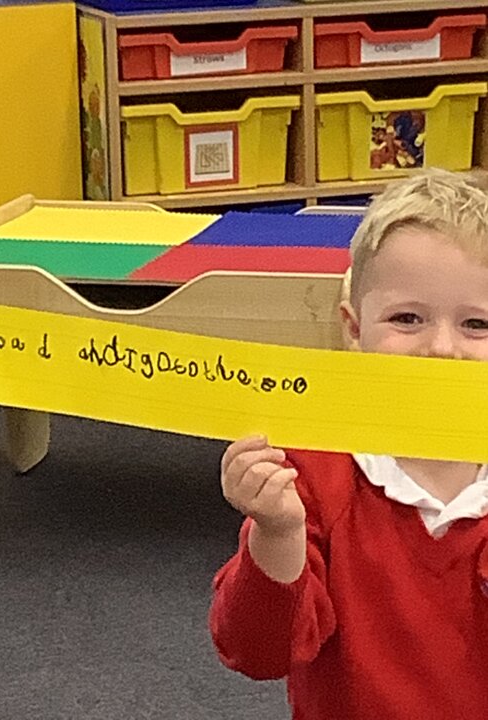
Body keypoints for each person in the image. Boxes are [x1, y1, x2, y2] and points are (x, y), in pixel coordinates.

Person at [209, 167, 488, 719]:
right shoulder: (311, 471)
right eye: (407, 319)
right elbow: (259, 652)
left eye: (477, 325)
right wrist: (277, 532)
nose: (442, 348)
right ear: (355, 329)